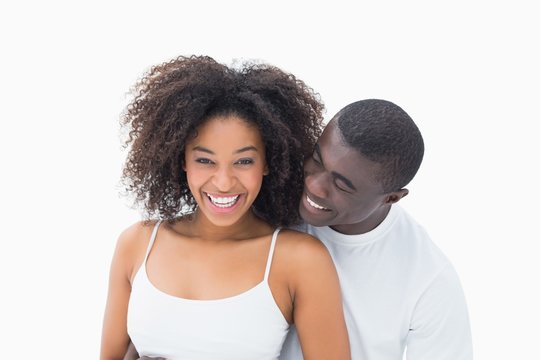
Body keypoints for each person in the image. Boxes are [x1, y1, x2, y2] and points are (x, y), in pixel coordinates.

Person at [100, 56, 351, 360]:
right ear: (181, 160)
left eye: (244, 161)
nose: (223, 182)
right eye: (204, 160)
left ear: (268, 162)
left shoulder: (298, 259)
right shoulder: (137, 244)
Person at [279, 99, 473, 359]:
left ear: (391, 198)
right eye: (317, 159)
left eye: (343, 186)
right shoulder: (270, 202)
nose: (314, 185)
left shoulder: (429, 279)